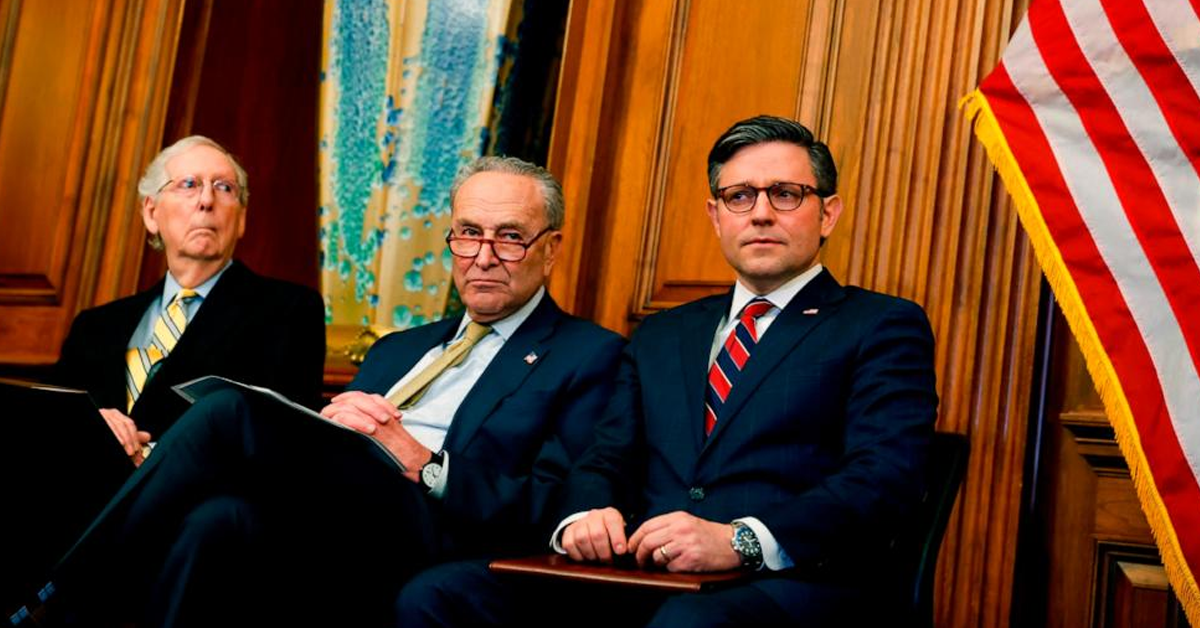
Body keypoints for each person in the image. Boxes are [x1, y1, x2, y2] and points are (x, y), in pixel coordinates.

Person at [8, 156, 625, 628]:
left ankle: (54, 597)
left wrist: (423, 460)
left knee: (228, 411)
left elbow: (555, 502)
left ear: (550, 250)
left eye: (509, 237)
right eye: (467, 233)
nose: (482, 256)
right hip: (334, 516)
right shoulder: (399, 348)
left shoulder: (588, 354)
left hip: (436, 526)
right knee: (216, 519)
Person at [394, 115, 940, 627]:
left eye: (785, 194)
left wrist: (740, 541)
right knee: (441, 595)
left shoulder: (880, 325)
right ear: (716, 216)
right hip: (645, 573)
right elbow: (605, 457)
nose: (760, 213)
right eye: (739, 196)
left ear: (828, 213)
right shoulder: (663, 333)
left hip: (789, 583)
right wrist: (584, 517)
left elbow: (884, 477)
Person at [1, 136, 326, 618]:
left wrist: (151, 456)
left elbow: (276, 441)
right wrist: (98, 430)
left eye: (225, 188)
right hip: (79, 496)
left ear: (241, 218)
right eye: (189, 184)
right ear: (151, 213)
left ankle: (44, 603)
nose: (206, 200)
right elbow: (50, 428)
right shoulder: (98, 325)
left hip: (192, 507)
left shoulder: (287, 311)